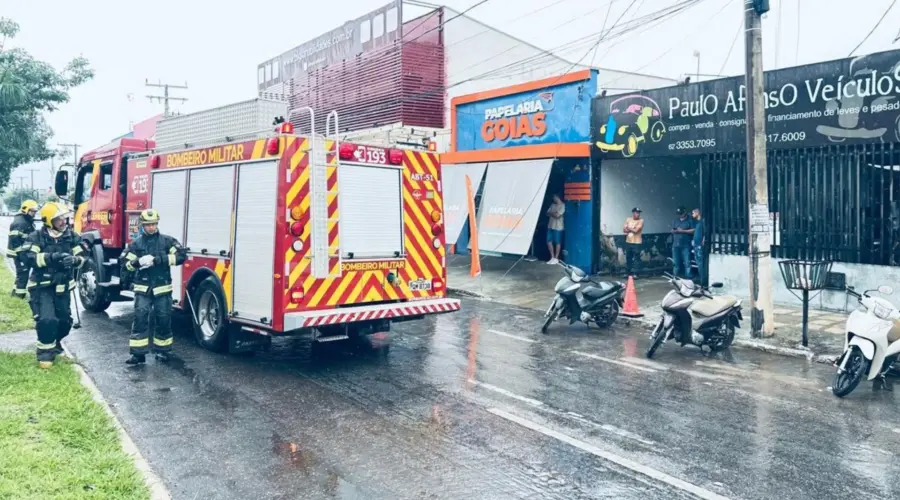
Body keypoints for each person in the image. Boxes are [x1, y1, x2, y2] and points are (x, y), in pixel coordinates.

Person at [18, 202, 85, 368]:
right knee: (47, 320)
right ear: (48, 221)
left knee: (65, 322)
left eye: (64, 218)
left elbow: (83, 256)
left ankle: (55, 343)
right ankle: (45, 356)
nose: (64, 222)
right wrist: (51, 257)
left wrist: (76, 260)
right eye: (59, 219)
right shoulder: (36, 236)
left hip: (63, 287)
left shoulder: (71, 236)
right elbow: (28, 257)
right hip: (42, 287)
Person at [121, 209, 185, 365]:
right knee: (140, 318)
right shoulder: (136, 244)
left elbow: (181, 256)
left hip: (162, 287)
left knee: (163, 318)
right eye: (148, 225)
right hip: (143, 288)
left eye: (154, 224)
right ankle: (138, 354)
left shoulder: (167, 241)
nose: (151, 227)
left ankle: (163, 351)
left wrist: (158, 260)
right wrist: (137, 263)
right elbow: (125, 264)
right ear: (142, 225)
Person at [7, 199, 39, 298]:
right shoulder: (20, 223)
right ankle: (19, 296)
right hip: (19, 253)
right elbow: (15, 240)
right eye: (32, 211)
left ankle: (15, 293)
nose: (34, 214)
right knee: (23, 274)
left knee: (21, 273)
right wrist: (21, 254)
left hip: (22, 252)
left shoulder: (26, 220)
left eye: (35, 211)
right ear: (26, 210)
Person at [671, 206, 695, 278]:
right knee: (675, 263)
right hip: (675, 244)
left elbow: (693, 230)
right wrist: (674, 231)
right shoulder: (676, 220)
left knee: (687, 262)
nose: (680, 215)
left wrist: (682, 231)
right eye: (678, 214)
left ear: (685, 212)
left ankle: (688, 277)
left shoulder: (690, 220)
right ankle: (674, 277)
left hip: (686, 244)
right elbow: (672, 230)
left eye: (681, 213)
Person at [623, 207, 644, 278]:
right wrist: (631, 229)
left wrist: (628, 228)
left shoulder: (641, 220)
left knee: (636, 258)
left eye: (639, 213)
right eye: (637, 213)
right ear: (633, 213)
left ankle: (636, 273)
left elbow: (636, 231)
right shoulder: (628, 219)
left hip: (637, 242)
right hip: (628, 241)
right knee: (628, 257)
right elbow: (624, 230)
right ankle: (628, 272)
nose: (638, 214)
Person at [545, 194, 565, 264]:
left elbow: (558, 215)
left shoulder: (563, 205)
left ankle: (556, 258)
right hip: (550, 226)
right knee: (548, 241)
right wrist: (554, 213)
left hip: (558, 227)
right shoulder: (552, 205)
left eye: (554, 197)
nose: (553, 198)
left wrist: (552, 213)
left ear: (557, 197)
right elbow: (547, 213)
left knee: (557, 242)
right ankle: (552, 257)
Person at [691, 208, 706, 286]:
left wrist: (703, 240)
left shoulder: (702, 222)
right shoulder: (697, 223)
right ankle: (701, 279)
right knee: (698, 262)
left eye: (693, 213)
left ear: (697, 213)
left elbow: (706, 232)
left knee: (700, 263)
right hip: (696, 244)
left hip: (699, 245)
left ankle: (702, 280)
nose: (692, 214)